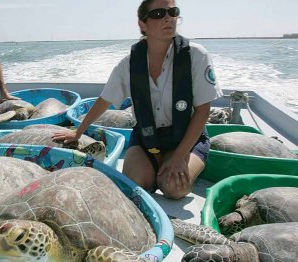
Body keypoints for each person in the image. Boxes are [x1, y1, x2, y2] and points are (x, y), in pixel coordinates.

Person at [53, 0, 222, 199]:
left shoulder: (195, 55)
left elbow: (203, 111)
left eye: (173, 12)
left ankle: (171, 164)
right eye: (159, 14)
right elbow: (105, 100)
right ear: (142, 24)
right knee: (133, 187)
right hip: (148, 138)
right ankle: (156, 167)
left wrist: (179, 156)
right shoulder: (130, 64)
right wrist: (77, 132)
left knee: (174, 189)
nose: (168, 18)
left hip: (186, 138)